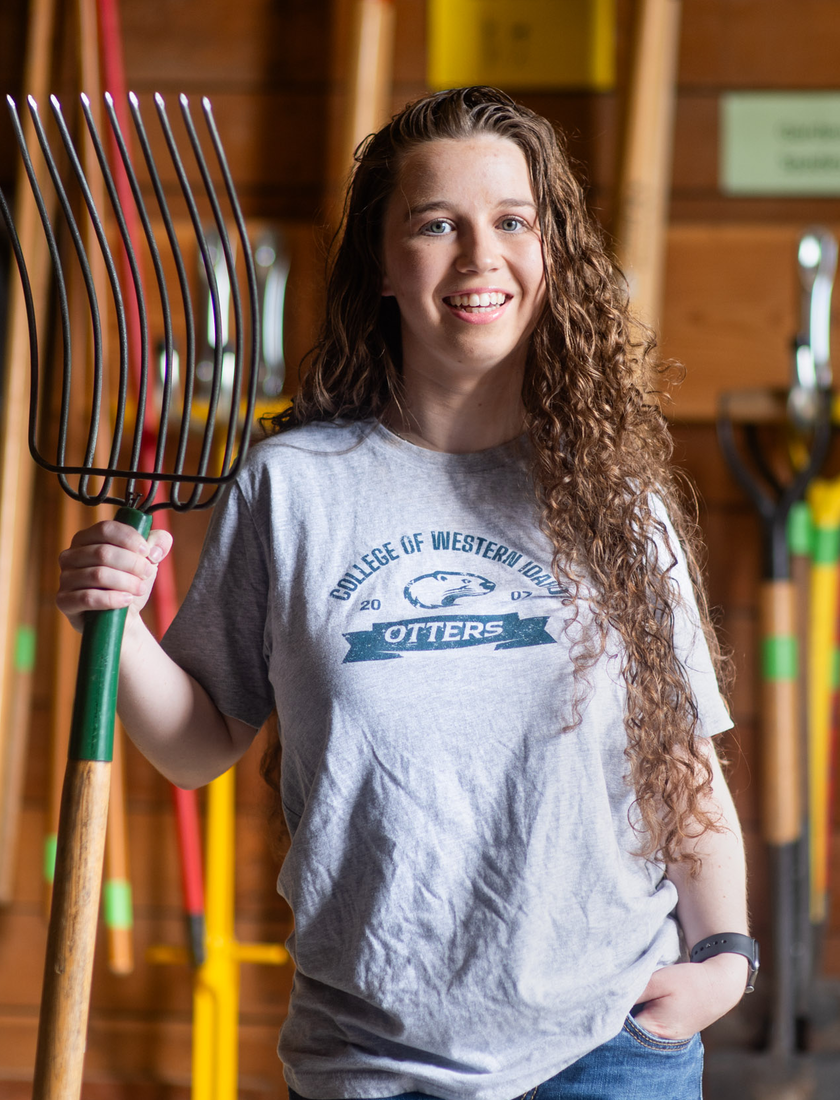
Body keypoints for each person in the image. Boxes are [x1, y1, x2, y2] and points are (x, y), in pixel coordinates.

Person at [56, 86, 752, 1100]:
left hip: (603, 1047)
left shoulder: (614, 499)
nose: (480, 259)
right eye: (436, 225)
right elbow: (198, 745)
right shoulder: (294, 487)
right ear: (382, 265)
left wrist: (724, 958)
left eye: (511, 222)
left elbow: (676, 759)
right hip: (368, 1058)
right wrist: (113, 626)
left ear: (547, 252)